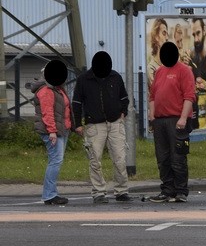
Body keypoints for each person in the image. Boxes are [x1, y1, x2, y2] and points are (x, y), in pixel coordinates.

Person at [72, 51, 131, 203]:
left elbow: (124, 98)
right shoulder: (83, 79)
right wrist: (77, 124)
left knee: (120, 159)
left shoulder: (116, 77)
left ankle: (122, 191)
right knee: (95, 160)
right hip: (94, 125)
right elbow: (76, 103)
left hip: (115, 123)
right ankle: (98, 192)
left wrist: (123, 112)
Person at [148, 41, 196, 203]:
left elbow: (189, 96)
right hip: (160, 121)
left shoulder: (184, 71)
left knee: (178, 157)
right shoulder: (160, 71)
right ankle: (167, 190)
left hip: (177, 120)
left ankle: (181, 191)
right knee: (163, 158)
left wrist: (183, 118)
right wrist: (152, 115)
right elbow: (153, 96)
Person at [31, 59, 73, 205]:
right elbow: (47, 112)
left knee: (55, 160)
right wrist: (52, 131)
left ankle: (50, 193)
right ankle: (49, 195)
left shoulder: (57, 88)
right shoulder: (46, 90)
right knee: (55, 160)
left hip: (62, 130)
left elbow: (65, 109)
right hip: (53, 131)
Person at [146, 17, 169, 86]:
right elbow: (160, 90)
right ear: (156, 36)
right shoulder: (151, 68)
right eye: (164, 33)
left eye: (167, 34)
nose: (167, 38)